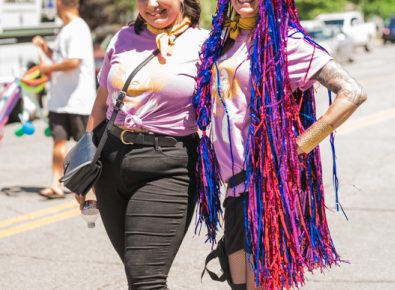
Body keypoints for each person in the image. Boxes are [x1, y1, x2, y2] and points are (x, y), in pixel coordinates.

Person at [194, 0, 367, 289]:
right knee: (241, 286)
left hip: (266, 191)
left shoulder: (285, 41)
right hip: (236, 190)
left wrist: (298, 146)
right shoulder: (227, 41)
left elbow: (352, 92)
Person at [75, 0, 208, 288]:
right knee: (138, 275)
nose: (152, 4)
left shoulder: (206, 44)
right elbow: (101, 104)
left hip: (168, 166)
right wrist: (86, 164)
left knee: (145, 278)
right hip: (110, 162)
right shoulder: (122, 38)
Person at [33, 0, 96, 199]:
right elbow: (62, 58)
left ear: (60, 3)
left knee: (84, 147)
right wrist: (46, 48)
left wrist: (46, 68)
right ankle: (56, 184)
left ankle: (91, 188)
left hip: (78, 100)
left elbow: (73, 62)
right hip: (60, 100)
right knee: (58, 141)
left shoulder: (78, 28)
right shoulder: (66, 29)